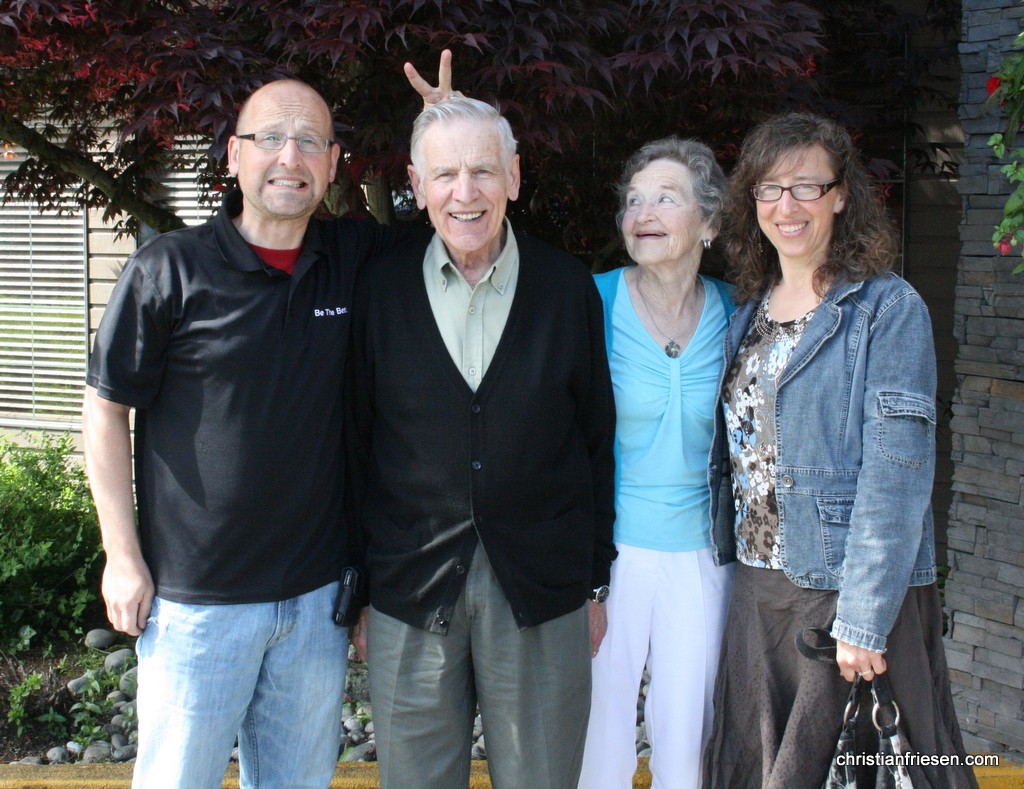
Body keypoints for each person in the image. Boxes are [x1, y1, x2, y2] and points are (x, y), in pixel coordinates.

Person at [81, 64, 451, 789]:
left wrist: (443, 126)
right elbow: (104, 408)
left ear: (334, 164)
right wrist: (121, 555)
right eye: (270, 138)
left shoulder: (354, 259)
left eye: (310, 141)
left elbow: (454, 218)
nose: (290, 156)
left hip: (315, 606)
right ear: (234, 154)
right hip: (195, 606)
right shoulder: (168, 271)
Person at [346, 96, 616, 789]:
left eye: (483, 171)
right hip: (410, 590)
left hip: (542, 591)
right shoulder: (380, 289)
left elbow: (595, 441)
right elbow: (357, 446)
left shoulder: (566, 288)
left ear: (514, 177)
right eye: (444, 174)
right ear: (415, 184)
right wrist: (362, 591)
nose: (464, 193)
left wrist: (593, 580)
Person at [702, 112, 978, 789]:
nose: (787, 205)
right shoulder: (749, 313)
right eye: (770, 188)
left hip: (842, 592)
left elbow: (897, 475)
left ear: (842, 195)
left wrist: (863, 617)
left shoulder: (887, 309)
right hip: (759, 590)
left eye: (807, 186)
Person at [577, 137, 735, 789]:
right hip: (606, 556)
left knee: (689, 742)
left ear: (710, 221)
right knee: (596, 741)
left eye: (666, 199)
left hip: (702, 556)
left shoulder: (738, 312)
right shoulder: (589, 302)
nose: (642, 213)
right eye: (634, 200)